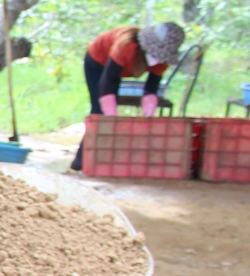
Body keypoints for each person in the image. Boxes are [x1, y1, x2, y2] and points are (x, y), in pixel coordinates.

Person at [70, 22, 184, 171]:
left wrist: (148, 116)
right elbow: (108, 81)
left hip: (119, 70)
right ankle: (80, 161)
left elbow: (151, 88)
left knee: (107, 114)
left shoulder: (163, 60)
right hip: (98, 62)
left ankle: (106, 158)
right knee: (100, 112)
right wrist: (112, 117)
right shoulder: (126, 46)